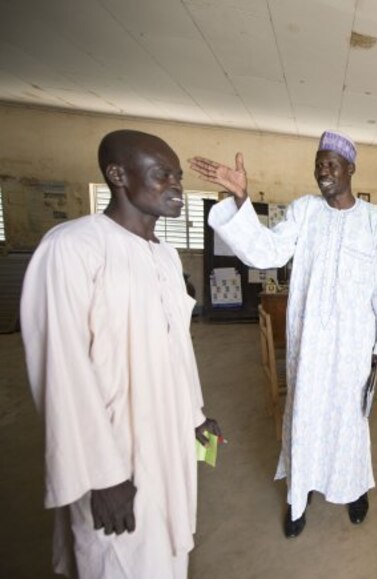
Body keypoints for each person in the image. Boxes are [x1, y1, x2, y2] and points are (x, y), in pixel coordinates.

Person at [188, 131, 377, 538]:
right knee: (305, 414)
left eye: (332, 165)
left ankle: (354, 488)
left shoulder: (374, 221)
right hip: (309, 342)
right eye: (319, 164)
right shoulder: (304, 211)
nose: (323, 172)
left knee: (350, 418)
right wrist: (241, 200)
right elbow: (268, 252)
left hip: (353, 344)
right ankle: (299, 493)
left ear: (350, 170)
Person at [20, 129, 221, 579]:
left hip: (168, 440)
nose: (177, 186)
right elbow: (62, 371)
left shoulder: (167, 258)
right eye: (161, 174)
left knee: (167, 552)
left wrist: (195, 415)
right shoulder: (73, 247)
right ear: (117, 175)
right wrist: (100, 475)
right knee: (118, 561)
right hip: (115, 455)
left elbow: (176, 347)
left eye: (179, 177)